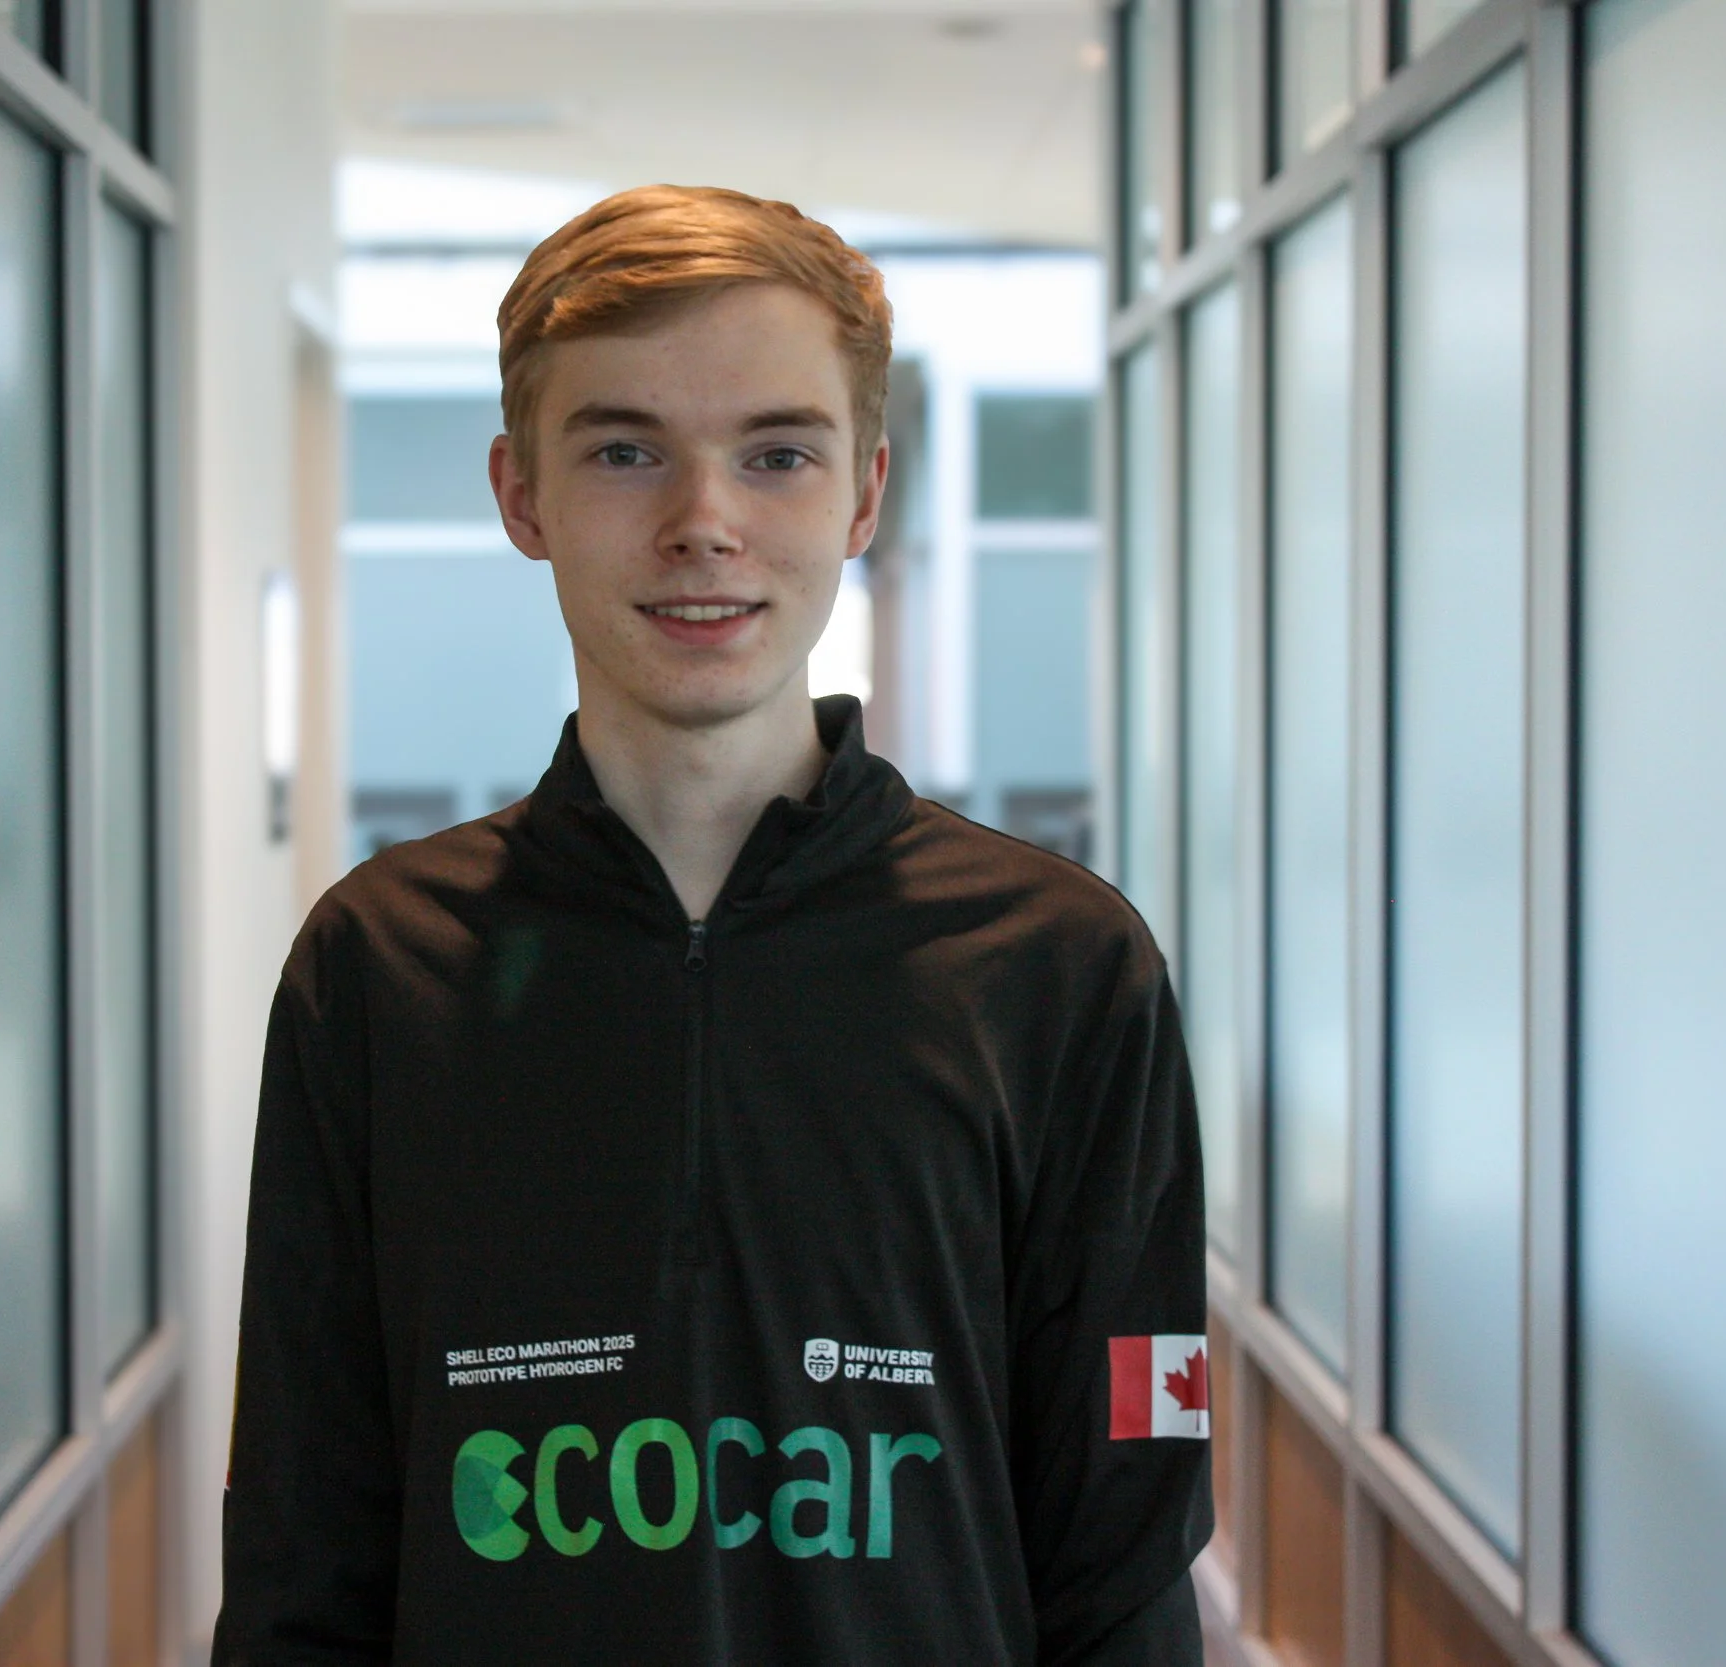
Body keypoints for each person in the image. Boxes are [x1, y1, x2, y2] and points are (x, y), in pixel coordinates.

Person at [215, 184, 1211, 1665]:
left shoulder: (1060, 969)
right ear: (522, 496)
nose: (704, 524)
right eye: (625, 451)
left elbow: (1123, 1566)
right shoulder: (380, 970)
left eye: (777, 454)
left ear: (864, 496)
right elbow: (302, 1552)